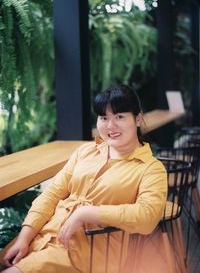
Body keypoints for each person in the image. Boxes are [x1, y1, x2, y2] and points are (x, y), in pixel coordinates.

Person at [0, 84, 168, 273]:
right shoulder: (85, 152)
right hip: (43, 236)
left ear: (138, 119)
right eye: (104, 118)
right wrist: (24, 237)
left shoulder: (151, 169)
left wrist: (86, 213)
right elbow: (53, 193)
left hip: (86, 252)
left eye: (119, 117)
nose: (110, 126)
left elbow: (147, 217)